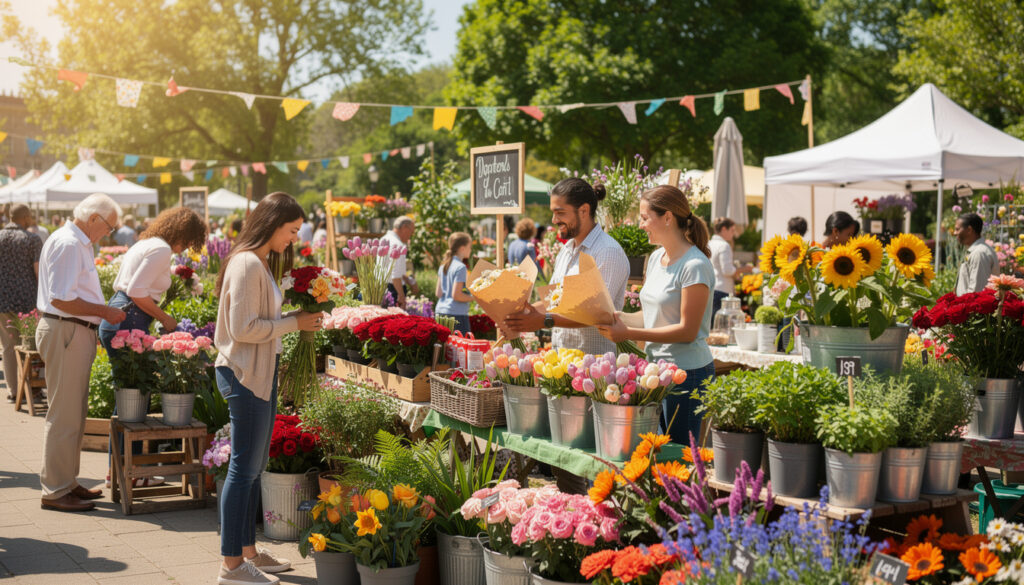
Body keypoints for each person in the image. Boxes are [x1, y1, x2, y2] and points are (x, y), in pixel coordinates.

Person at [213, 192, 322, 585]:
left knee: (253, 469)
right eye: (291, 230)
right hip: (244, 374)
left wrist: (294, 316)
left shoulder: (257, 261)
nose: (294, 238)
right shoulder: (247, 263)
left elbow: (258, 319)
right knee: (243, 470)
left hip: (257, 373)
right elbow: (244, 329)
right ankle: (231, 566)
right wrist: (295, 323)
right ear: (272, 223)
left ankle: (248, 552)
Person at [596, 185, 715, 445]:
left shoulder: (694, 265)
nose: (641, 225)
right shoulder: (656, 258)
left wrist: (628, 333)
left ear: (668, 218)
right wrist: (614, 317)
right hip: (656, 372)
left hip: (687, 374)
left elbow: (687, 330)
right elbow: (652, 316)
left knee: (680, 455)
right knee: (657, 452)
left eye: (644, 218)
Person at [37, 193, 126, 512]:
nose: (109, 233)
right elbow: (61, 298)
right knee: (65, 413)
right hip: (67, 329)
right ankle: (56, 489)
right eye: (109, 227)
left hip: (71, 330)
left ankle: (66, 481)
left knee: (73, 411)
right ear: (94, 218)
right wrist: (104, 312)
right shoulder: (71, 243)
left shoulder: (75, 241)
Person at [505, 178, 628, 355]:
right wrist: (518, 316)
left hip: (594, 365)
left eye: (560, 213)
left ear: (584, 210)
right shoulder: (566, 250)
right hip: (561, 361)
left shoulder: (607, 251)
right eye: (553, 213)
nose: (554, 220)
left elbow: (598, 314)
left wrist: (545, 320)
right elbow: (553, 301)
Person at [0, 204, 43, 401]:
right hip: (27, 300)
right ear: (25, 217)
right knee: (30, 346)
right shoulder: (32, 239)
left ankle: (14, 391)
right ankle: (31, 389)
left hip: (2, 299)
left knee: (8, 346)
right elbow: (38, 271)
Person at [707, 217, 752, 317]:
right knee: (721, 323)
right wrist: (745, 269)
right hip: (722, 289)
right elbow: (727, 270)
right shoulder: (724, 245)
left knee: (712, 321)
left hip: (711, 288)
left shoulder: (709, 244)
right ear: (724, 229)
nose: (734, 234)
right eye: (732, 230)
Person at [435, 232, 473, 334]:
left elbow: (438, 293)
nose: (470, 250)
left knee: (444, 343)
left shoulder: (443, 265)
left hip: (440, 312)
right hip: (456, 315)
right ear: (462, 248)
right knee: (461, 344)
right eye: (469, 247)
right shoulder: (461, 267)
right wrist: (475, 298)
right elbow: (456, 295)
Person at [954, 212, 998, 295]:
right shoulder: (977, 251)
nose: (954, 233)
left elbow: (976, 292)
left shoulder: (979, 253)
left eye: (957, 229)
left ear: (969, 230)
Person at [382, 216, 418, 308]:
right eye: (411, 232)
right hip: (393, 291)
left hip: (382, 288)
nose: (411, 235)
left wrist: (410, 281)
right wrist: (401, 296)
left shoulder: (384, 239)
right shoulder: (398, 244)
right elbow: (395, 275)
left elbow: (392, 271)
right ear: (404, 228)